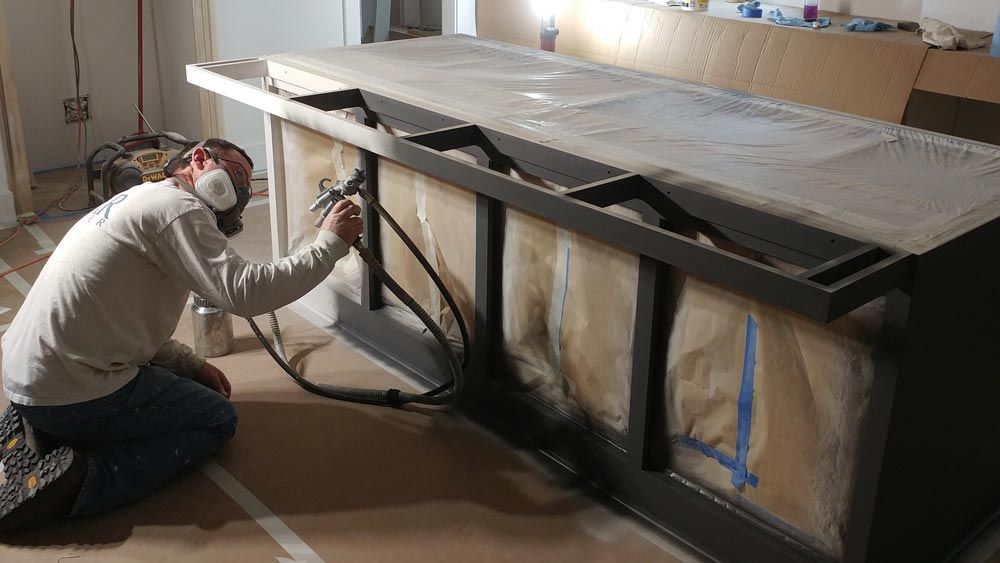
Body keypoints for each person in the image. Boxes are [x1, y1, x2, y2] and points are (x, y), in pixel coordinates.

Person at [0, 138, 362, 530]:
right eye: (237, 174)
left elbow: (126, 315)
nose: (242, 189)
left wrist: (189, 363)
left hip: (28, 374)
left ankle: (43, 430)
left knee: (187, 389)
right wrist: (329, 243)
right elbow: (245, 292)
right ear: (199, 158)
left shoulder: (142, 199)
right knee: (215, 419)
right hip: (71, 387)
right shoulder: (178, 209)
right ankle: (83, 480)